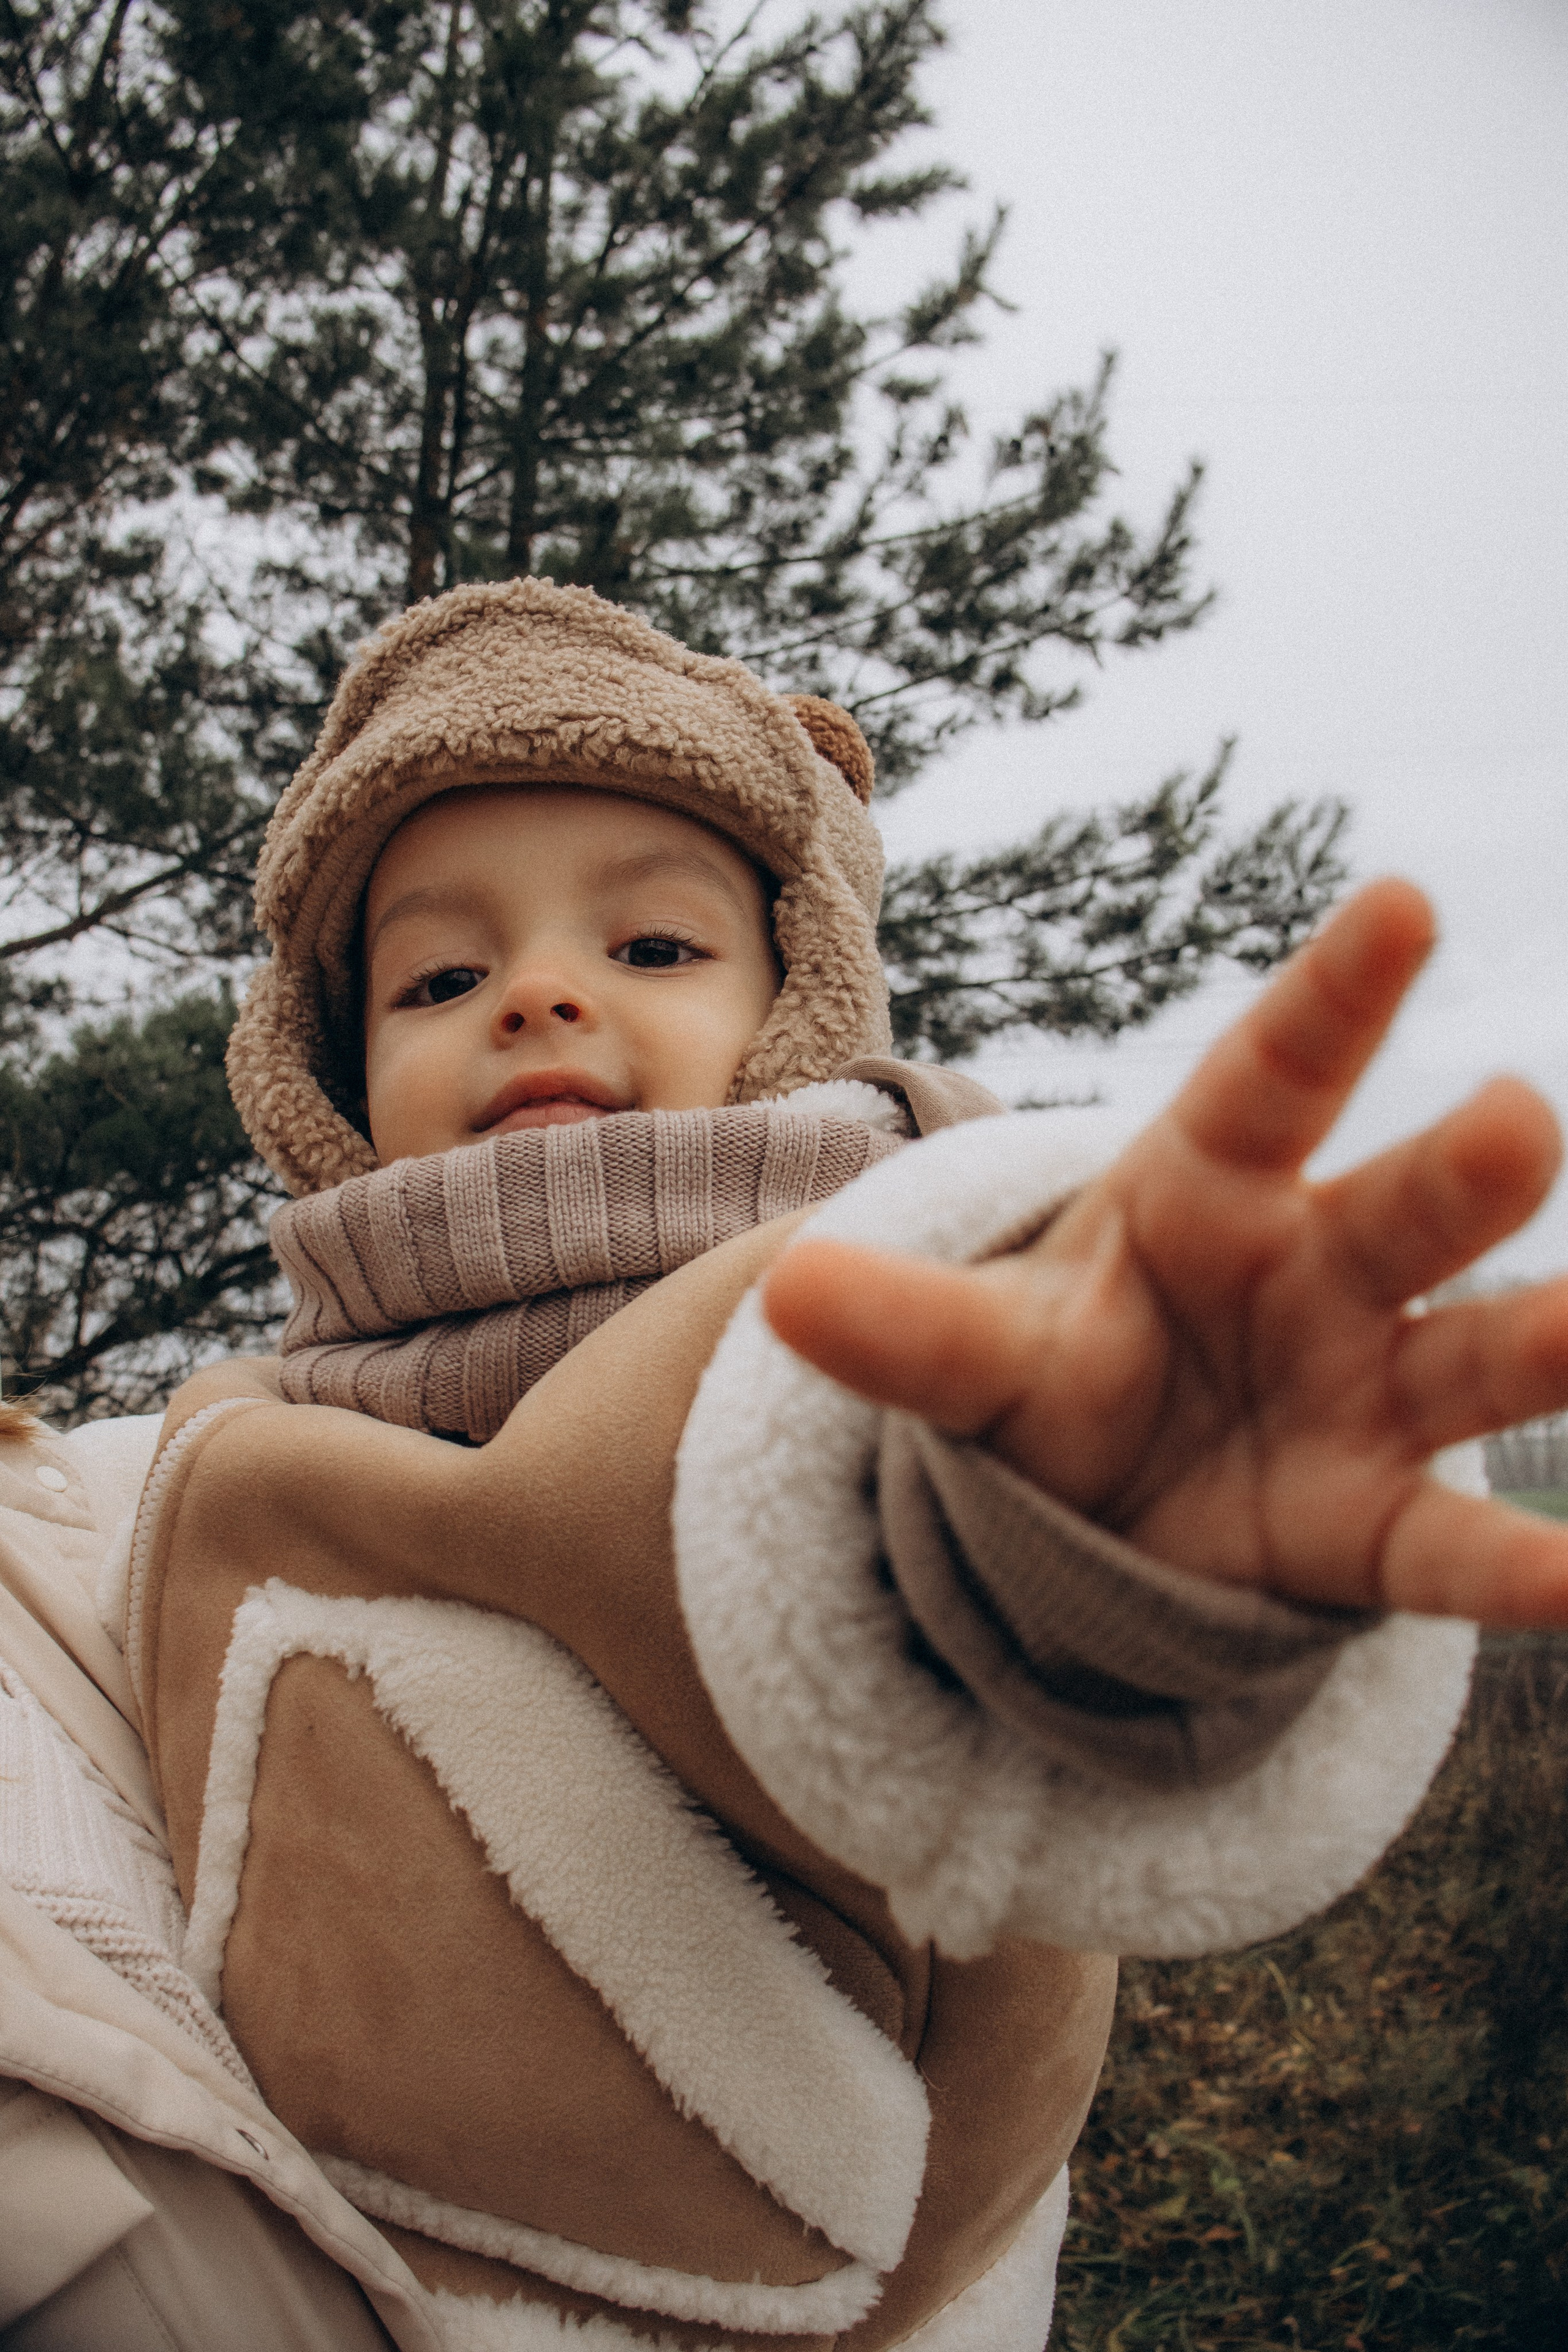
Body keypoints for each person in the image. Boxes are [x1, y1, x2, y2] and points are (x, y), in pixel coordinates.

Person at [2, 579, 1566, 2351]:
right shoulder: (239, 1442)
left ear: (803, 1010)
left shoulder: (863, 1316)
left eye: (653, 948)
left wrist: (1077, 1522)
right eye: (439, 974)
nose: (534, 993)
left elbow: (808, 1516)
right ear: (330, 1087)